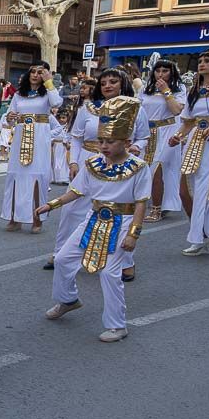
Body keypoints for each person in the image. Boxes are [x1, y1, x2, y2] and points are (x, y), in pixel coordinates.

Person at [40, 96, 149, 342]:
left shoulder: (140, 167)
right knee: (63, 259)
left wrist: (133, 234)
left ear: (127, 142)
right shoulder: (92, 164)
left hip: (122, 222)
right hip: (93, 219)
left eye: (110, 141)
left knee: (110, 273)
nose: (104, 145)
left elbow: (142, 202)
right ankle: (67, 300)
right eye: (101, 140)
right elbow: (76, 191)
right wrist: (51, 204)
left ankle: (117, 325)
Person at [48, 68, 149, 277]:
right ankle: (61, 253)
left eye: (113, 82)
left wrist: (136, 148)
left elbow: (143, 137)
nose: (108, 86)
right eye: (104, 83)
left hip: (121, 163)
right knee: (72, 209)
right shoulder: (88, 108)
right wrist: (74, 162)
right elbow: (76, 137)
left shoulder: (135, 108)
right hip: (89, 161)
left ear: (123, 84)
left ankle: (124, 262)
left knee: (120, 212)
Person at [171, 48, 209, 260]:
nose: (202, 64)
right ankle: (202, 237)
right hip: (195, 143)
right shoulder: (194, 91)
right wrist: (177, 136)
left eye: (207, 61)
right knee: (186, 193)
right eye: (200, 61)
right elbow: (187, 121)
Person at [2, 64, 63, 232]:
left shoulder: (47, 95)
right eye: (33, 71)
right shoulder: (18, 95)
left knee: (37, 177)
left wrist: (49, 82)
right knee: (15, 176)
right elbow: (9, 119)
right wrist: (10, 117)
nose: (36, 75)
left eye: (40, 72)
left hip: (39, 139)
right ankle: (14, 217)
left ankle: (37, 218)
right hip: (20, 139)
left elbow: (57, 102)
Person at [138, 59, 185, 223]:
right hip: (147, 132)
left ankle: (156, 208)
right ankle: (154, 204)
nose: (161, 74)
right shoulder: (146, 89)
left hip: (167, 132)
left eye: (165, 71)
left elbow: (176, 110)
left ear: (172, 73)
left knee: (157, 168)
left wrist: (166, 91)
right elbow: (138, 111)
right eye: (158, 71)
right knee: (145, 169)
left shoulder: (179, 89)